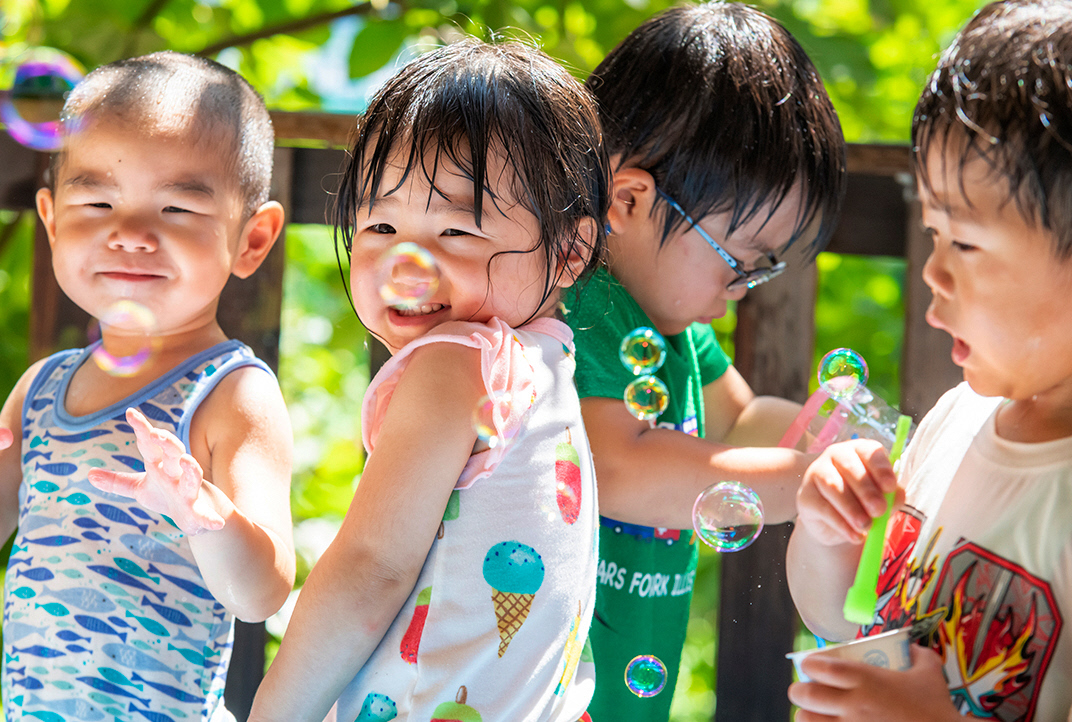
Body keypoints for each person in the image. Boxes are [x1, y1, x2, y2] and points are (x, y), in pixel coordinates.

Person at [0, 51, 295, 722]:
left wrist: (201, 511)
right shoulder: (45, 388)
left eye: (176, 207)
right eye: (97, 201)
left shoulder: (231, 395)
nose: (131, 233)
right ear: (51, 220)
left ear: (251, 240)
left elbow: (262, 594)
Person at [249, 39, 608, 722]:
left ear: (568, 251)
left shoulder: (455, 362)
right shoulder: (541, 361)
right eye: (381, 224)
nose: (406, 263)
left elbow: (371, 568)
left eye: (455, 230)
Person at [786, 1, 1072, 719]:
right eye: (932, 234)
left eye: (965, 244)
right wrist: (829, 537)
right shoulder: (955, 419)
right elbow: (843, 619)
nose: (933, 274)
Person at [564, 3, 847, 717]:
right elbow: (620, 469)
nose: (742, 292)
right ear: (628, 199)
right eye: (739, 263)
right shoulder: (578, 309)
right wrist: (808, 482)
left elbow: (744, 419)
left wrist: (846, 450)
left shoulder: (675, 330)